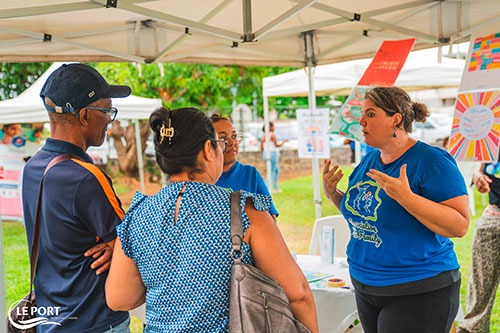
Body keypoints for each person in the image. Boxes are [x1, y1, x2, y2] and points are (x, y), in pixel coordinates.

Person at [105, 107, 318, 333]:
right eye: (219, 144)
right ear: (208, 150)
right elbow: (298, 294)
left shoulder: (138, 215)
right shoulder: (245, 211)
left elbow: (118, 298)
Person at [322, 86, 470, 333]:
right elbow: (363, 217)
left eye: (370, 114)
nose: (361, 121)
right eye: (362, 114)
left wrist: (407, 198)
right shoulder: (370, 159)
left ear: (396, 119)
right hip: (366, 285)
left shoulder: (431, 160)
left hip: (418, 289)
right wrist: (333, 194)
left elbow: (459, 225)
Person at [22, 63, 131, 332]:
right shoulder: (86, 178)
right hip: (95, 321)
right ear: (84, 116)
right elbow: (132, 247)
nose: (110, 120)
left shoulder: (32, 168)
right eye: (107, 111)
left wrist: (117, 243)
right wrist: (118, 245)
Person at [457, 161, 500, 333]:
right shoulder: (492, 143)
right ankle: (472, 329)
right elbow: (480, 170)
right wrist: (478, 176)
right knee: (480, 283)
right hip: (492, 216)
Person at [210, 114, 279, 219]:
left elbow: (271, 219)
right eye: (222, 138)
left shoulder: (251, 175)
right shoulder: (200, 180)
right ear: (207, 145)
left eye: (234, 136)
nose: (232, 143)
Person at [260, 121, 288, 193]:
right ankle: (267, 188)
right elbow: (276, 145)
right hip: (273, 154)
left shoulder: (263, 136)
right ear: (270, 127)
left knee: (276, 170)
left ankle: (275, 187)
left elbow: (261, 147)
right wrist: (283, 142)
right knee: (271, 171)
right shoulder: (272, 135)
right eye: (273, 126)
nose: (274, 127)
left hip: (266, 154)